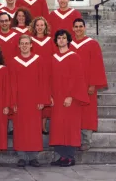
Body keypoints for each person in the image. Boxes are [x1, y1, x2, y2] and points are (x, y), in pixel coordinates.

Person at [50, 30, 89, 167]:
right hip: (56, 97)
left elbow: (78, 78)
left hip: (70, 98)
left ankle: (70, 157)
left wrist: (71, 96)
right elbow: (49, 78)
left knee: (70, 127)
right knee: (58, 127)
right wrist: (49, 95)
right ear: (56, 40)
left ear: (68, 40)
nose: (61, 40)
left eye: (64, 38)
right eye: (59, 38)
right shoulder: (53, 57)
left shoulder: (74, 57)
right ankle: (62, 156)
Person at [10, 35, 50, 167]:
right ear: (19, 45)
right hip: (20, 100)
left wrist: (42, 100)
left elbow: (43, 81)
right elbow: (12, 84)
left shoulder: (39, 60)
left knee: (33, 128)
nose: (25, 45)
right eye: (22, 43)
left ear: (31, 45)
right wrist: (13, 102)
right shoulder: (14, 61)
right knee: (20, 128)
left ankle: (33, 157)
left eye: (27, 43)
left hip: (34, 100)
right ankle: (21, 156)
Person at [70, 19, 107, 151]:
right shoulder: (68, 44)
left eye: (81, 26)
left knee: (87, 113)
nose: (78, 29)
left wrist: (93, 84)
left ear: (85, 28)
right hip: (72, 86)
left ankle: (86, 140)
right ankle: (73, 139)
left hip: (87, 85)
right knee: (73, 112)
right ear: (72, 28)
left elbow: (97, 66)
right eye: (76, 27)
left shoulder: (92, 44)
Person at [29, 17, 55, 134]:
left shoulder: (50, 41)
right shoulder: (29, 40)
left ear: (45, 27)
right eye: (37, 25)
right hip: (33, 73)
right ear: (34, 27)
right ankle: (34, 125)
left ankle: (43, 126)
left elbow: (54, 56)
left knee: (45, 98)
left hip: (47, 73)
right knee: (33, 99)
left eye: (42, 25)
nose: (40, 27)